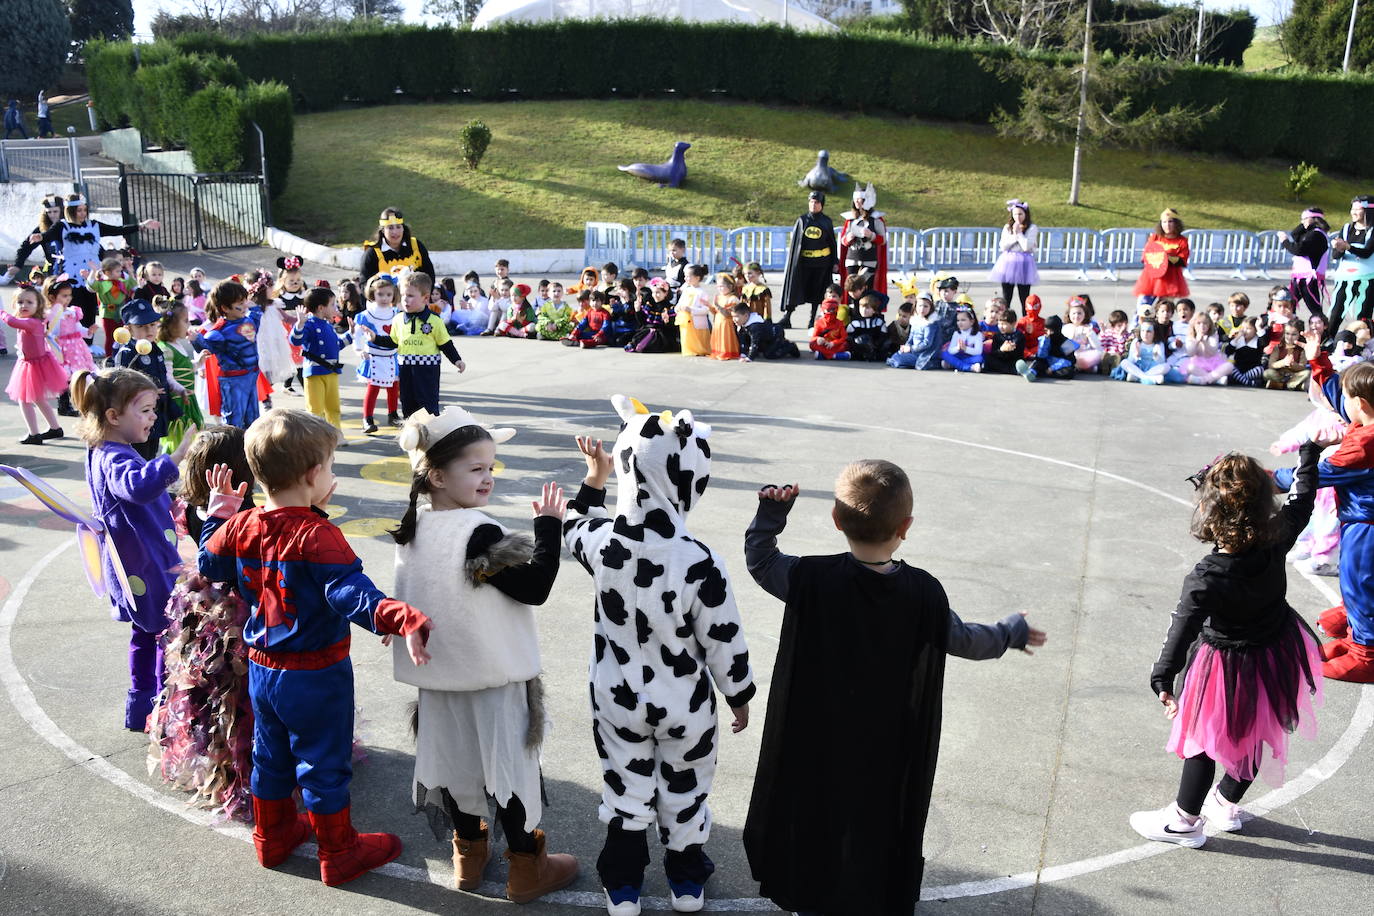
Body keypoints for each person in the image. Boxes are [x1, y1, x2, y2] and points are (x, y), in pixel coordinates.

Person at [742, 463, 1044, 914]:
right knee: (874, 822)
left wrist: (771, 514)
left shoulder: (810, 577)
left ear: (836, 519)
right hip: (886, 744)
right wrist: (1009, 631)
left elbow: (761, 559)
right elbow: (965, 641)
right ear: (906, 527)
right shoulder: (923, 593)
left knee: (816, 815)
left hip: (817, 736)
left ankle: (811, 894)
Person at [197, 409, 433, 884]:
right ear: (312, 475)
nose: (331, 475)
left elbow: (209, 562)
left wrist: (218, 512)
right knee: (323, 762)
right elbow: (347, 590)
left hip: (262, 670)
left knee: (271, 754)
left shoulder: (241, 524)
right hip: (315, 674)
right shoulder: (318, 534)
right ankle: (338, 852)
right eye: (328, 465)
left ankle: (272, 838)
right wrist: (397, 614)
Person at [563, 398, 755, 915]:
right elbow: (724, 637)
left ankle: (624, 887)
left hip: (616, 700)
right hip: (686, 703)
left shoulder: (603, 545)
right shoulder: (696, 560)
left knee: (625, 792)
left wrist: (593, 475)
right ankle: (686, 882)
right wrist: (738, 694)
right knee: (685, 788)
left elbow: (574, 522)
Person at [390, 407, 578, 903]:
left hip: (439, 678)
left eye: (491, 467)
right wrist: (548, 526)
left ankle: (468, 857)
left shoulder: (415, 529)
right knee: (508, 770)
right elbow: (535, 587)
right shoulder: (479, 531)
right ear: (436, 475)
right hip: (492, 677)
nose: (488, 478)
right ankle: (526, 867)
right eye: (476, 468)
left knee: (453, 765)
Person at [1131, 444, 1324, 848]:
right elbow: (1303, 501)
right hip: (1275, 652)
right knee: (1254, 732)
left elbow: (1181, 631)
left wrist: (1162, 677)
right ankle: (1225, 802)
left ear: (1210, 512)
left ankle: (1184, 822)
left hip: (1224, 664)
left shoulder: (1208, 575)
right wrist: (1309, 457)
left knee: (1202, 738)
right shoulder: (1277, 538)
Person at [71, 367, 197, 728]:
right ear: (113, 417)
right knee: (163, 631)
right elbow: (136, 487)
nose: (153, 417)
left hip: (133, 561)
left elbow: (135, 500)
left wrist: (170, 499)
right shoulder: (115, 457)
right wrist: (172, 462)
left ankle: (142, 707)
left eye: (153, 409)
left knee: (146, 633)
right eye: (144, 410)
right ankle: (161, 705)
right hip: (143, 565)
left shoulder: (103, 449)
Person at [148, 426, 255, 822]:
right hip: (235, 611)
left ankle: (216, 762)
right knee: (236, 692)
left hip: (202, 606)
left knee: (209, 691)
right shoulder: (237, 509)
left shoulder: (191, 505)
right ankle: (243, 769)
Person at [1277, 349, 1374, 681]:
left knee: (1360, 583)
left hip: (1367, 526)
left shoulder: (1364, 443)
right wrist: (1317, 359)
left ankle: (1366, 655)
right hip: (1360, 522)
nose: (1339, 405)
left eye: (1346, 399)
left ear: (1360, 404)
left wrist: (1265, 479)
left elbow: (1315, 476)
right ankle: (1355, 637)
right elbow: (1339, 389)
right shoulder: (1364, 428)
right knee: (1356, 583)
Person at [42, 194, 159, 346]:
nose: (83, 213)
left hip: (94, 273)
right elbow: (45, 236)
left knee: (90, 309)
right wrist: (38, 239)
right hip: (72, 275)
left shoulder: (94, 225)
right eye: (79, 210)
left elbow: (117, 230)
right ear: (70, 211)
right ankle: (73, 342)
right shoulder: (62, 227)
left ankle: (88, 343)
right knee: (73, 310)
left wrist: (140, 225)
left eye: (84, 210)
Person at [112, 298, 185, 460]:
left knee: (152, 450)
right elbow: (121, 382)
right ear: (128, 329)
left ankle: (150, 478)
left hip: (155, 412)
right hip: (136, 415)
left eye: (152, 324)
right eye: (141, 326)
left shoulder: (155, 348)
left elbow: (164, 375)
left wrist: (177, 389)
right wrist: (146, 390)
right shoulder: (127, 352)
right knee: (139, 453)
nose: (149, 330)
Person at [3, 285, 68, 443]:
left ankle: (34, 434)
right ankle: (55, 428)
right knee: (38, 399)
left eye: (29, 302)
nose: (24, 305)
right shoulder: (32, 321)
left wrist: (2, 313)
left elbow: (11, 321)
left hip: (33, 366)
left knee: (24, 400)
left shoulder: (32, 322)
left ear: (38, 305)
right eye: (20, 302)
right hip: (30, 363)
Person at [194, 280, 262, 429]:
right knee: (234, 419)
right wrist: (195, 339)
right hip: (233, 381)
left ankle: (250, 449)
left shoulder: (248, 320)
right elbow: (206, 348)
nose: (245, 305)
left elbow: (257, 317)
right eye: (240, 303)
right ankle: (231, 449)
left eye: (245, 301)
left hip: (251, 375)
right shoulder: (219, 331)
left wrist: (254, 306)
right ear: (225, 307)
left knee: (253, 419)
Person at [290, 287, 346, 436]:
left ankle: (335, 434)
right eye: (333, 304)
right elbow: (295, 341)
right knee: (315, 409)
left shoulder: (328, 325)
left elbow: (336, 346)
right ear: (321, 308)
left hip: (332, 371)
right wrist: (300, 325)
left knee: (333, 407)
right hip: (314, 373)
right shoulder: (309, 324)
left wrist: (351, 335)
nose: (336, 307)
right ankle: (317, 437)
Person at [780, 190, 837, 329]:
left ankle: (813, 319)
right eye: (811, 201)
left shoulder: (826, 221)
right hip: (804, 262)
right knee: (795, 288)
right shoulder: (802, 220)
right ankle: (787, 317)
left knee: (818, 291)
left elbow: (832, 243)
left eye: (816, 202)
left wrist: (835, 261)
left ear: (821, 204)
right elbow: (796, 244)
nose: (813, 204)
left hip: (821, 263)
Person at [352, 274, 401, 434]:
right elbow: (358, 334)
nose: (385, 298)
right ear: (373, 293)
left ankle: (393, 414)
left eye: (388, 294)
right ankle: (367, 418)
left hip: (392, 356)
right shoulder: (366, 315)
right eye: (381, 294)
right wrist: (359, 350)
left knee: (394, 388)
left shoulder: (396, 313)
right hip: (373, 356)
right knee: (373, 389)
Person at [1326, 196, 1374, 333]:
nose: (1353, 212)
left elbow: (1366, 252)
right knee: (1336, 311)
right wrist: (1339, 248)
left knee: (1363, 314)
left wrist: (1347, 246)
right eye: (1352, 209)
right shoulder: (1347, 228)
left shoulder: (1372, 230)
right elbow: (1336, 255)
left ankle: (1361, 344)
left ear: (1367, 211)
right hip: (1345, 278)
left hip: (1367, 278)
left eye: (1357, 209)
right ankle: (1328, 340)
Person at [838, 184, 886, 307]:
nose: (857, 202)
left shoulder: (876, 219)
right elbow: (843, 240)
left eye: (861, 200)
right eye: (856, 200)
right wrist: (848, 238)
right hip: (852, 259)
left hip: (869, 260)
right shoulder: (850, 219)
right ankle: (851, 316)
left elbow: (883, 240)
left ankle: (866, 314)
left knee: (865, 290)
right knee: (851, 289)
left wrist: (871, 235)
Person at [361, 208, 435, 286]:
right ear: (383, 230)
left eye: (398, 227)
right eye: (390, 228)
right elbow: (364, 284)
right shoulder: (372, 253)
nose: (395, 232)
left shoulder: (416, 246)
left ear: (403, 228)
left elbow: (429, 276)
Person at [1279, 208, 1330, 317]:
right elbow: (1295, 235)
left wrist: (1285, 241)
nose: (1302, 221)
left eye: (1305, 218)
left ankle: (1325, 330)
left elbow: (1298, 250)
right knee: (1288, 303)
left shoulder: (1317, 235)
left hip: (1309, 278)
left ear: (1314, 219)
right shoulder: (1310, 233)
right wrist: (1304, 224)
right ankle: (1289, 326)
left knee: (1314, 308)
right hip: (1299, 276)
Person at [989, 198, 1040, 308]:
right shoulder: (1007, 227)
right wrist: (1014, 236)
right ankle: (1006, 318)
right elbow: (1003, 246)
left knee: (1024, 296)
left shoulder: (1032, 228)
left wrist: (1019, 233)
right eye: (1015, 214)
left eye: (1020, 214)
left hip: (1024, 263)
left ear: (1026, 214)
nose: (1018, 217)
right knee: (1007, 296)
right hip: (1008, 262)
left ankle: (1026, 319)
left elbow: (1026, 246)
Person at [1134, 209, 1190, 302]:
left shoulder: (1182, 241)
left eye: (1170, 221)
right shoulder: (1155, 237)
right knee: (1144, 307)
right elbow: (1145, 256)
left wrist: (1165, 258)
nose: (1167, 225)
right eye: (1164, 222)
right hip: (1151, 278)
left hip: (1170, 280)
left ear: (1176, 223)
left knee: (1164, 308)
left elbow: (1182, 260)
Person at [1016, 314, 1077, 382]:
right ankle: (1031, 373)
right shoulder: (1045, 338)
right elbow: (1041, 356)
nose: (1049, 333)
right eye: (1046, 330)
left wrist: (1052, 368)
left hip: (1059, 363)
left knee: (1069, 372)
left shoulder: (1065, 342)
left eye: (1052, 331)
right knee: (1038, 363)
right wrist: (1044, 343)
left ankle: (1042, 373)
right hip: (1047, 361)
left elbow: (1071, 360)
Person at [886, 296, 941, 370]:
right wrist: (906, 347)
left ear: (930, 308)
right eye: (920, 306)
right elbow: (911, 338)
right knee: (897, 355)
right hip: (913, 351)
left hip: (923, 353)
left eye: (925, 306)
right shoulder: (915, 321)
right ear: (915, 306)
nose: (922, 309)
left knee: (899, 360)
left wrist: (911, 349)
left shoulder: (930, 324)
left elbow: (927, 343)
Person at [1180, 312, 1232, 386]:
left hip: (1214, 363)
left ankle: (1203, 380)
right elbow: (1190, 353)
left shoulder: (1213, 335)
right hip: (1198, 363)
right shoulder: (1190, 337)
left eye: (1205, 323)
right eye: (1198, 323)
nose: (1202, 326)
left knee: (1229, 366)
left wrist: (1204, 341)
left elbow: (1212, 352)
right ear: (1194, 325)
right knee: (1190, 368)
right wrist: (1197, 341)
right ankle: (1216, 380)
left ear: (1209, 325)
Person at [732, 303, 798, 361]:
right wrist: (743, 354)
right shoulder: (742, 323)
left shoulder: (755, 327)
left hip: (776, 335)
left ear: (746, 316)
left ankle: (790, 346)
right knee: (760, 348)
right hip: (764, 339)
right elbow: (742, 339)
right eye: (733, 317)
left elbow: (754, 343)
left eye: (736, 316)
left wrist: (750, 357)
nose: (734, 319)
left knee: (769, 354)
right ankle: (770, 347)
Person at [1118, 317, 1170, 385]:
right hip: (1138, 366)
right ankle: (1145, 377)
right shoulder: (1136, 342)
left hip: (1153, 368)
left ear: (1155, 333)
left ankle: (1139, 376)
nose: (1145, 334)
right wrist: (1136, 355)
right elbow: (1130, 361)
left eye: (1148, 331)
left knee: (1167, 366)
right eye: (1143, 330)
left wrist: (1156, 355)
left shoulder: (1159, 344)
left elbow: (1162, 362)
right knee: (1124, 362)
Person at [1263, 320, 1310, 391]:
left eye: (1294, 334)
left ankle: (1286, 385)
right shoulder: (1278, 347)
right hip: (1280, 374)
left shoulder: (1302, 350)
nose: (1290, 337)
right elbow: (1271, 365)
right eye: (1287, 334)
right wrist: (1283, 362)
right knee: (1267, 373)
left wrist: (1293, 364)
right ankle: (1289, 385)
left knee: (1307, 373)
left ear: (1299, 335)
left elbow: (1302, 367)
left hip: (1294, 375)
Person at [676, 266, 712, 357]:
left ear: (697, 278)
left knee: (698, 338)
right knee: (686, 336)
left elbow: (706, 309)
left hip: (697, 321)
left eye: (688, 276)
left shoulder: (702, 292)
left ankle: (699, 350)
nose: (685, 278)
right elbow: (680, 303)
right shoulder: (686, 290)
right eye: (685, 276)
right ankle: (688, 350)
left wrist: (691, 310)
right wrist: (678, 308)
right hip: (685, 320)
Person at [1226, 317, 1266, 388]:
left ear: (1255, 330)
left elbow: (1264, 342)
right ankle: (1248, 382)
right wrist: (1237, 338)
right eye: (1243, 328)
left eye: (1248, 329)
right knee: (1229, 366)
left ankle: (1240, 379)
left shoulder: (1258, 340)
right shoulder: (1239, 340)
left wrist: (1258, 327)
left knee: (1260, 369)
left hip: (1252, 370)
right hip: (1239, 369)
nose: (1244, 331)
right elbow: (1228, 351)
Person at [845, 295, 887, 362]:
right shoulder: (855, 323)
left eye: (867, 308)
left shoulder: (879, 322)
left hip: (875, 349)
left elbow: (883, 337)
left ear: (874, 310)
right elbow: (849, 338)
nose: (864, 310)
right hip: (857, 350)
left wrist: (875, 345)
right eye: (862, 307)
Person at [808, 293, 849, 361]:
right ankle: (834, 356)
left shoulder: (839, 322)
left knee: (846, 344)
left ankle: (824, 355)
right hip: (824, 345)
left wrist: (834, 343)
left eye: (833, 310)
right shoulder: (819, 322)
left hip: (835, 345)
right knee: (812, 344)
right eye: (828, 310)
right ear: (824, 310)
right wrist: (818, 339)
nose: (831, 312)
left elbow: (844, 337)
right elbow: (813, 337)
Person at [941, 307, 983, 372]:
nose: (960, 323)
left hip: (970, 357)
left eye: (963, 320)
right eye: (958, 320)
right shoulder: (956, 333)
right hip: (958, 356)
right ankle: (970, 367)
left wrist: (965, 349)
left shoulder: (978, 334)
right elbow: (950, 350)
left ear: (972, 321)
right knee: (944, 354)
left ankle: (953, 364)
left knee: (980, 358)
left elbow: (978, 351)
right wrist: (957, 348)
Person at [709, 274, 741, 360]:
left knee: (725, 339)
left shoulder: (733, 298)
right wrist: (709, 306)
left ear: (730, 286)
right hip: (718, 322)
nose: (719, 288)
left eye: (721, 286)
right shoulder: (719, 297)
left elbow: (727, 314)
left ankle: (727, 353)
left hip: (727, 323)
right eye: (718, 286)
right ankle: (718, 352)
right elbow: (715, 312)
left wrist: (717, 306)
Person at [1098, 309, 1130, 376]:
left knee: (1117, 357)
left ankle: (1114, 371)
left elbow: (1122, 350)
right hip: (1108, 353)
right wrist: (1103, 332)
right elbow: (1102, 344)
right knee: (1104, 355)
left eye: (1125, 324)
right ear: (1113, 326)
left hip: (1118, 354)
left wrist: (1120, 336)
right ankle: (1104, 369)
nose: (1123, 327)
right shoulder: (1109, 332)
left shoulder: (1127, 335)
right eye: (1119, 325)